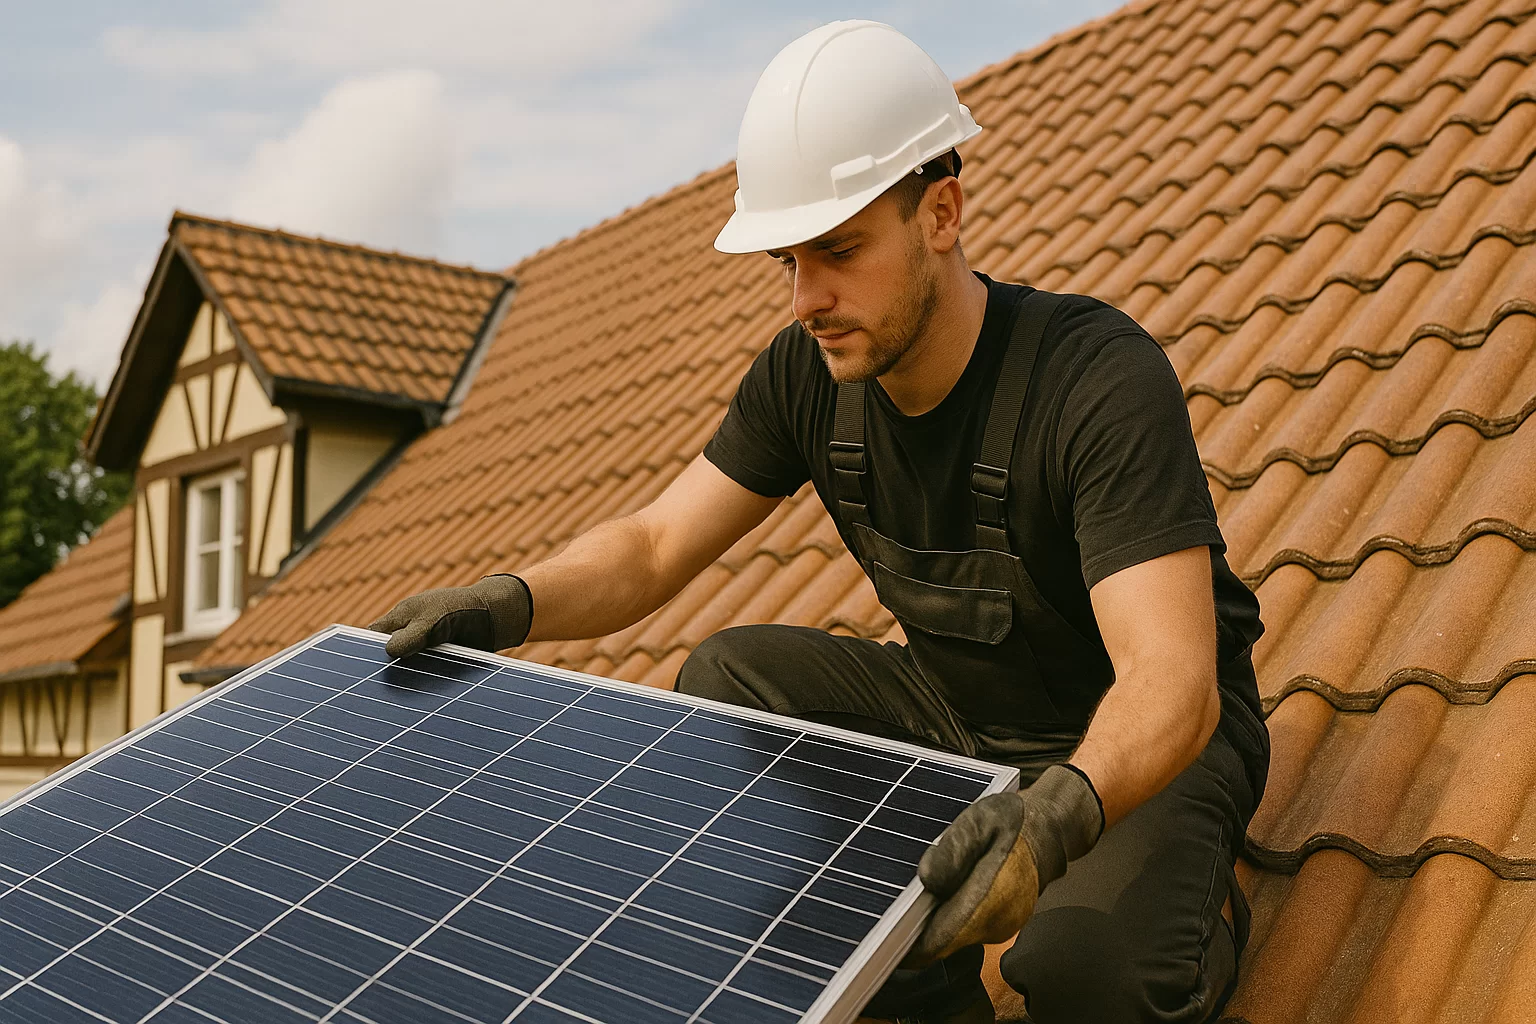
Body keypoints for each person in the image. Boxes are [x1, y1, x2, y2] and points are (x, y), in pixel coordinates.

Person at [371, 20, 1269, 1024]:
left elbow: (1174, 681)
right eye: (787, 261)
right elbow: (656, 545)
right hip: (962, 717)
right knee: (726, 680)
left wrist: (1049, 822)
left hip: (1138, 745)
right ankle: (922, 990)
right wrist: (506, 603)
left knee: (1079, 972)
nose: (807, 298)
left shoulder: (1093, 378)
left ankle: (1194, 920)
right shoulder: (809, 375)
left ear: (943, 212)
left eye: (838, 250)